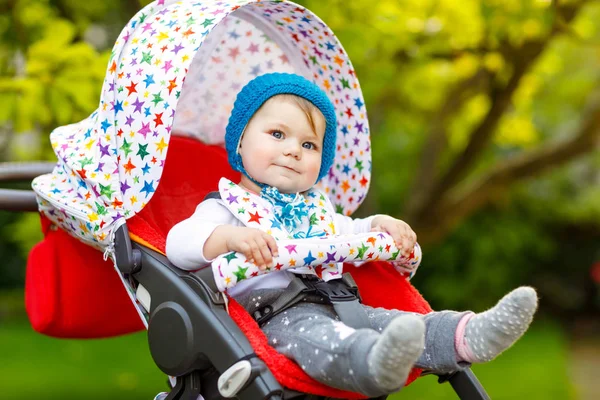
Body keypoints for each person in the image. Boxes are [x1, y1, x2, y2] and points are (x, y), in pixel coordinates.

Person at [166, 73, 538, 397]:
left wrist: (380, 226)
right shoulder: (226, 208)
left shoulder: (316, 210)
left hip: (342, 303)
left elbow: (352, 232)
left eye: (309, 144)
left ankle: (470, 333)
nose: (293, 149)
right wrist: (227, 238)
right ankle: (374, 363)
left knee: (398, 323)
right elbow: (178, 245)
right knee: (322, 339)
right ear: (241, 142)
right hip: (274, 317)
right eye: (278, 134)